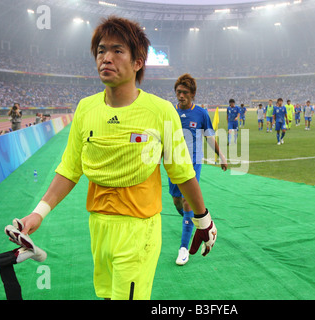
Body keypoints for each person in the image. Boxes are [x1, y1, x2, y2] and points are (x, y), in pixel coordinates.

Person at [11, 16, 217, 300]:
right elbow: (70, 168)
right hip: (98, 226)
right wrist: (39, 213)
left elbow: (182, 173)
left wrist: (203, 220)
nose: (106, 58)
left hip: (138, 230)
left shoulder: (160, 111)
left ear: (138, 62)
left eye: (118, 50)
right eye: (101, 50)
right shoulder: (85, 108)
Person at [170, 73, 227, 266]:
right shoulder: (171, 112)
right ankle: (191, 222)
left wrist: (221, 156)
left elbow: (210, 137)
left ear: (192, 94)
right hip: (173, 162)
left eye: (185, 92)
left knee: (187, 202)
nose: (181, 96)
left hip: (193, 163)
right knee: (177, 202)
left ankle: (183, 248)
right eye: (178, 92)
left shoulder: (201, 113)